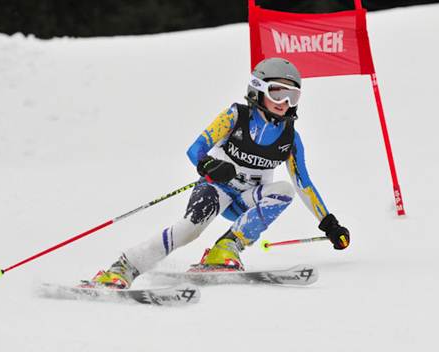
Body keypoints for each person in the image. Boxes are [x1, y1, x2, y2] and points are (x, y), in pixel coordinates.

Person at [85, 57, 350, 289]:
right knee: (189, 231)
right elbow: (196, 148)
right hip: (217, 189)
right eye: (277, 92)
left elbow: (304, 185)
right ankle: (123, 268)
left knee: (284, 191)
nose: (284, 102)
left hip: (247, 200)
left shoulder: (290, 138)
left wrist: (329, 223)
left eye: (292, 96)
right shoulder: (236, 116)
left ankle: (226, 248)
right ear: (257, 89)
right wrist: (208, 165)